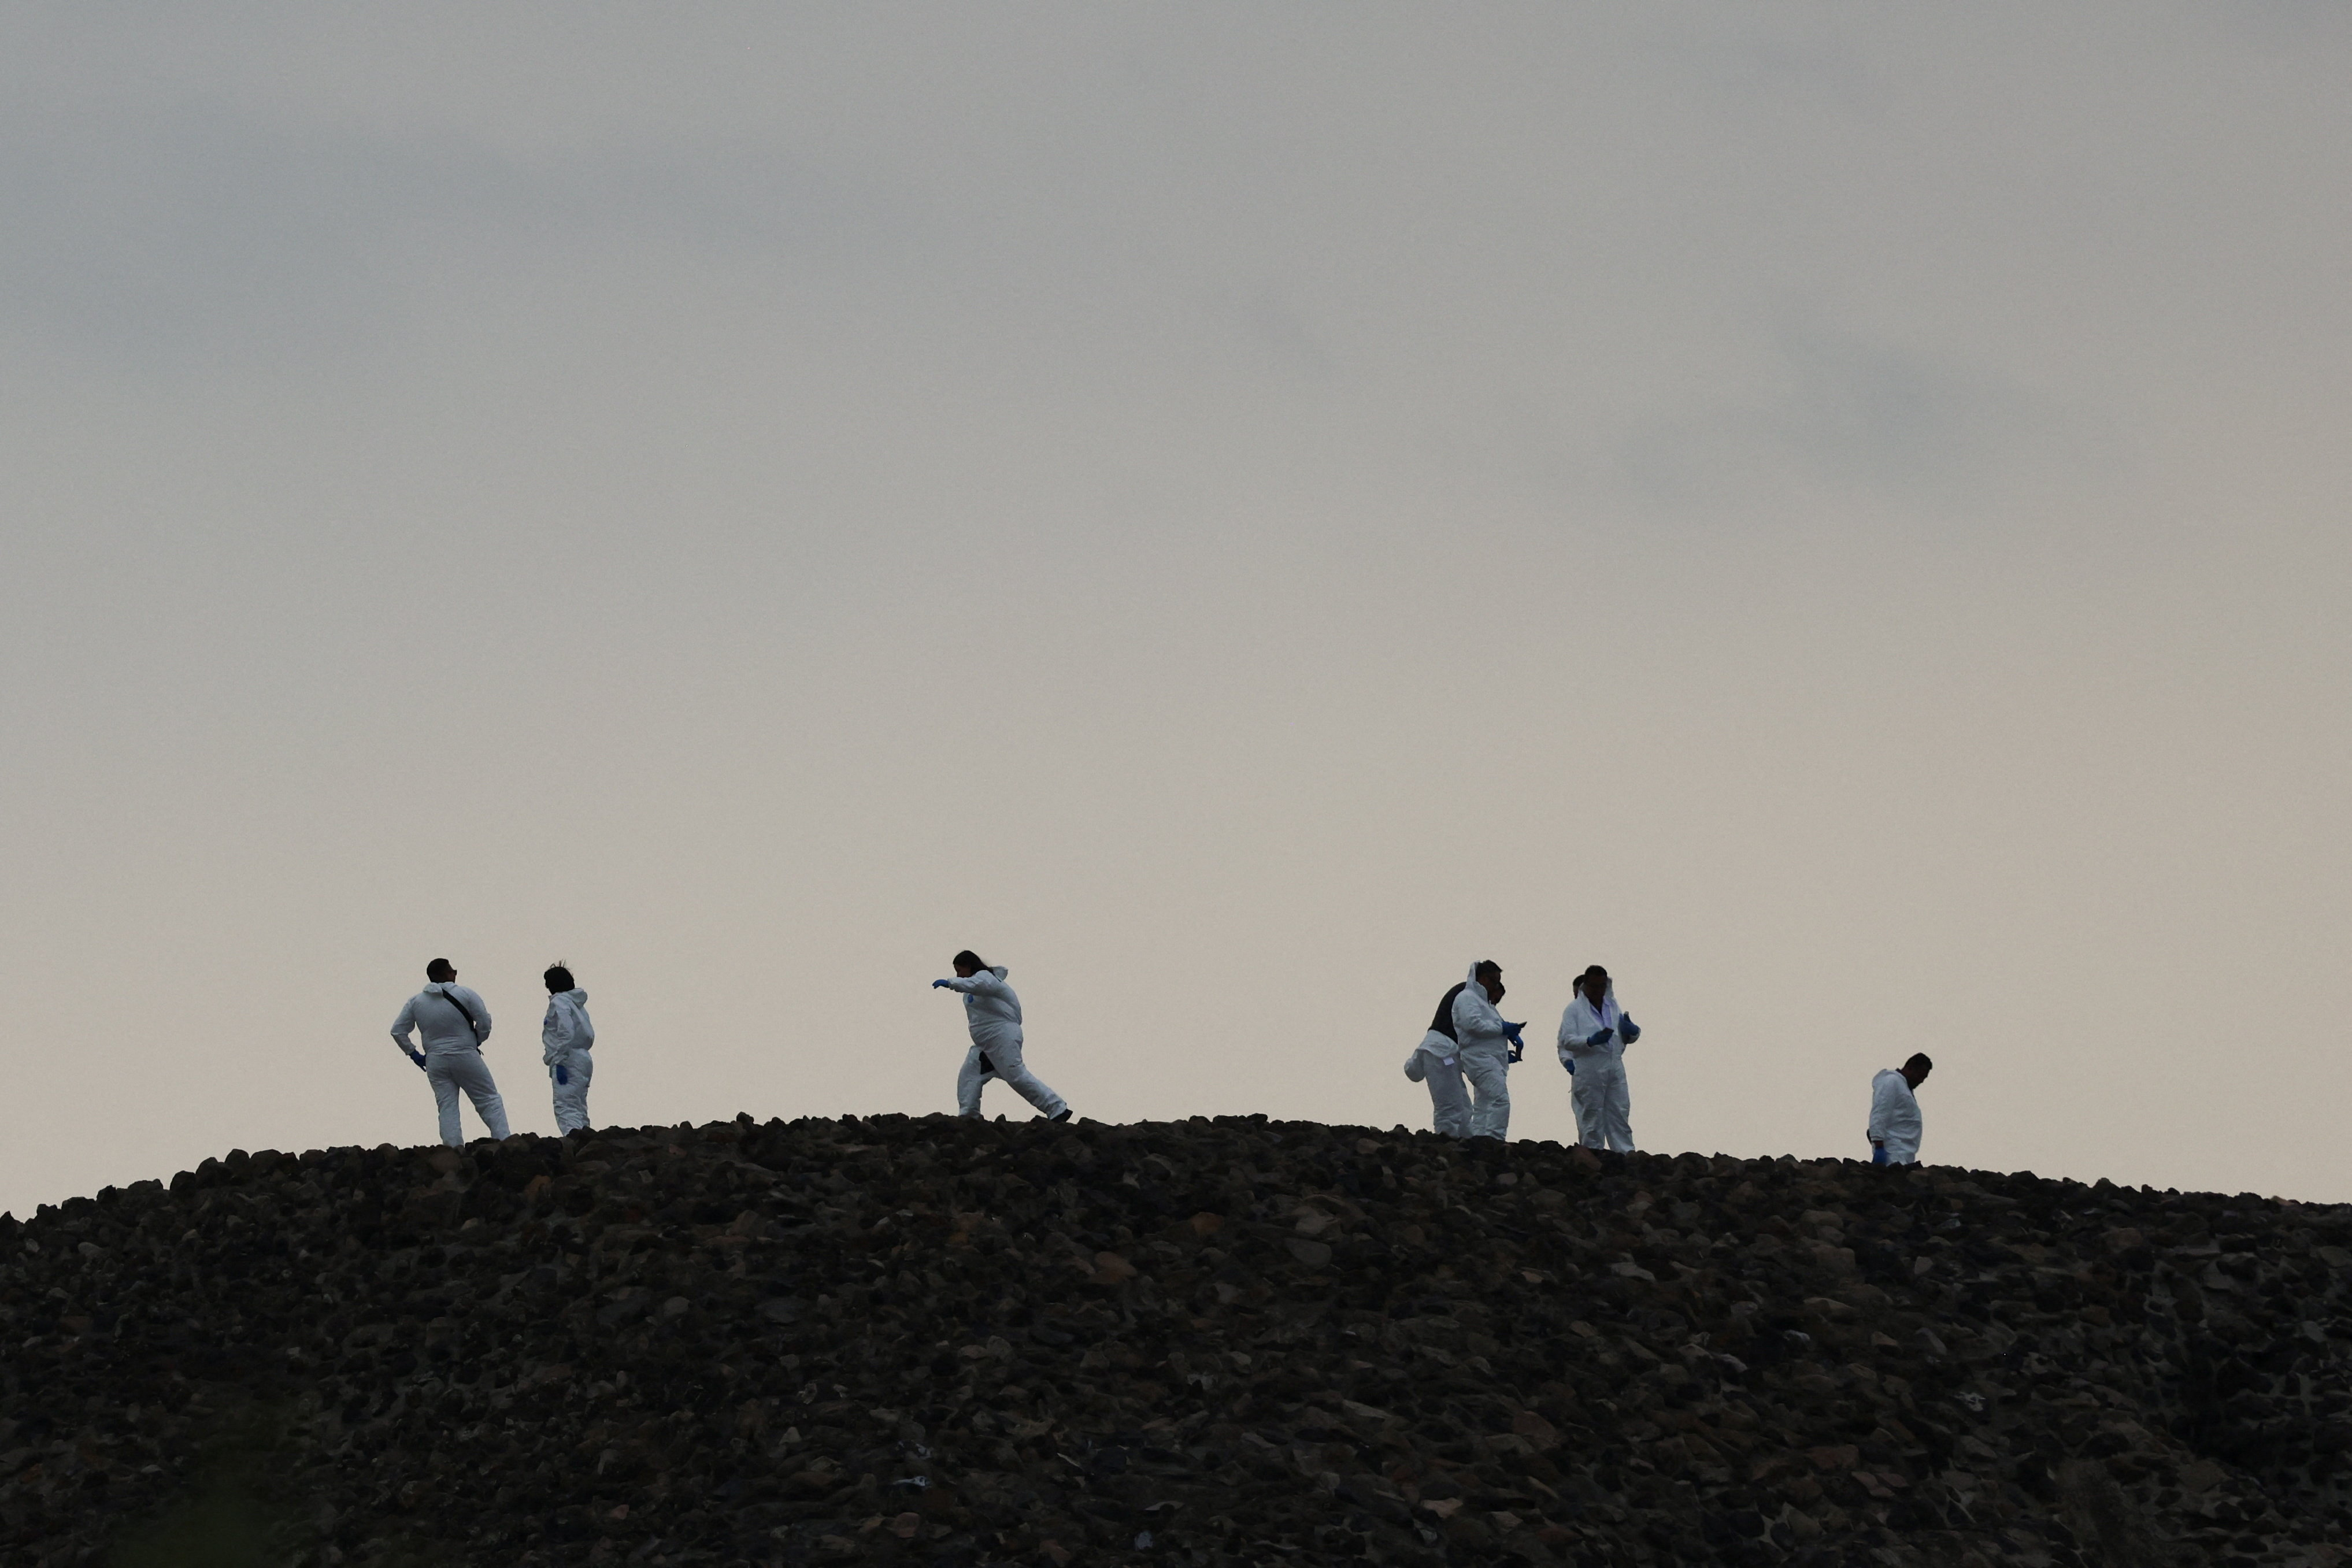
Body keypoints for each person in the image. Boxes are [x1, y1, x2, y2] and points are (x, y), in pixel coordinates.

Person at [932, 951, 1071, 1122]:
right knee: (969, 1076)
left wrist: (950, 983)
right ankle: (969, 1117)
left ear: (969, 966)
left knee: (1016, 1075)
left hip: (1002, 1037)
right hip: (986, 1045)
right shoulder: (971, 990)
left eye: (959, 970)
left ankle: (1057, 1108)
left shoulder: (986, 978)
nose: (958, 975)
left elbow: (980, 985)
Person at [390, 958, 510, 1147]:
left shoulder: (416, 1002)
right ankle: (504, 1143)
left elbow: (397, 1031)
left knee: (447, 1105)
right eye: (453, 970)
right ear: (447, 974)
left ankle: (453, 1148)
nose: (455, 973)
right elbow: (485, 1022)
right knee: (489, 1100)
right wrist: (477, 1040)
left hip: (435, 1061)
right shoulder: (466, 994)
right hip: (466, 1055)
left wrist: (414, 1055)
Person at [1557, 965, 1640, 1152]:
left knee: (1619, 1111)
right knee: (1592, 1115)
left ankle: (1625, 1154)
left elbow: (1623, 1037)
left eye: (1602, 986)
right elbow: (1567, 1041)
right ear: (1586, 986)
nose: (1598, 991)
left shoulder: (1612, 1005)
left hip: (1615, 1067)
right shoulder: (1574, 1009)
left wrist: (1633, 1033)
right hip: (1589, 1069)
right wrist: (1590, 1041)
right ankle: (1593, 1156)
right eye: (1594, 986)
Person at [1449, 961, 1525, 1143]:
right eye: (1494, 981)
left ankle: (1480, 1141)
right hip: (1480, 1060)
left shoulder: (1485, 1005)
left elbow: (1487, 1032)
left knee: (1484, 1105)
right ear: (1483, 978)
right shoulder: (1467, 998)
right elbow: (1473, 1025)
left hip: (1489, 1060)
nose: (1496, 987)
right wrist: (1503, 1029)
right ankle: (1495, 1141)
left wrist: (1504, 1049)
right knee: (1500, 1100)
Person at [1404, 979, 1472, 1138]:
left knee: (1462, 1106)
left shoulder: (1465, 994)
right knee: (1451, 1105)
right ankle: (1447, 1142)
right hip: (1444, 1055)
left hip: (1443, 1055)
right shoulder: (1469, 996)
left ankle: (1463, 1141)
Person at [540, 962, 596, 1135]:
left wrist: (560, 1059)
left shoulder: (559, 1002)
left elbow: (566, 1030)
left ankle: (573, 1140)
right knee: (579, 1105)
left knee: (565, 1105)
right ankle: (584, 1137)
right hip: (583, 1058)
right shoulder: (577, 1004)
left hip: (568, 1059)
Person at [1869, 1054, 1933, 1165]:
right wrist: (1878, 1145)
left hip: (1903, 1156)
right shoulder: (1892, 1081)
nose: (1921, 1081)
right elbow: (1880, 1114)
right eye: (1920, 1076)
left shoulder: (1904, 1088)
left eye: (1924, 1078)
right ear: (1910, 1068)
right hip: (1892, 1155)